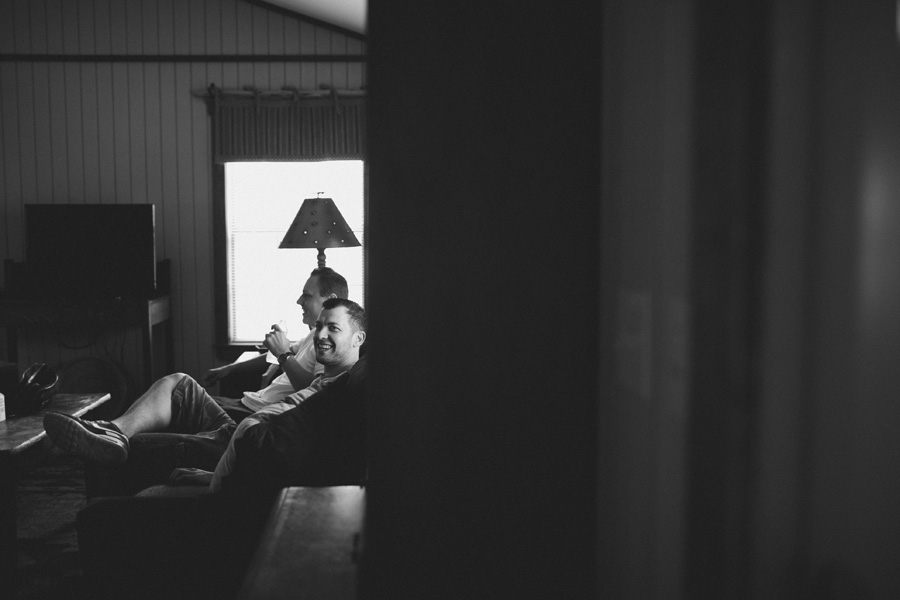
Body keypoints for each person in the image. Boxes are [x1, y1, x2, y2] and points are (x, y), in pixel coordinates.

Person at [42, 298, 366, 475]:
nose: (321, 333)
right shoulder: (329, 372)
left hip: (245, 436)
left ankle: (114, 438)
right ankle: (112, 431)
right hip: (245, 426)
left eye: (332, 328)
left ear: (358, 338)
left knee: (174, 396)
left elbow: (281, 435)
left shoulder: (338, 389)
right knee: (179, 382)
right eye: (320, 325)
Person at [206, 266, 349, 420]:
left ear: (331, 300)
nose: (299, 301)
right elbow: (286, 352)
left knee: (182, 392)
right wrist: (229, 369)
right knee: (183, 393)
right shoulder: (314, 334)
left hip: (258, 415)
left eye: (307, 296)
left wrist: (283, 354)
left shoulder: (332, 342)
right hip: (249, 402)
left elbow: (316, 394)